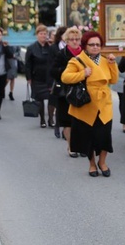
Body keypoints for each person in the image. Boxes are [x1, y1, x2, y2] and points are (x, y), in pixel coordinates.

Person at [61, 31, 118, 177]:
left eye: (98, 44)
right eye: (91, 44)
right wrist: (82, 74)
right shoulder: (77, 60)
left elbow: (113, 80)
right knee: (89, 138)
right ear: (85, 46)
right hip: (87, 104)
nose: (95, 47)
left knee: (105, 136)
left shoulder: (106, 60)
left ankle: (102, 162)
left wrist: (113, 64)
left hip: (104, 104)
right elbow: (65, 77)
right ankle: (92, 164)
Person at [51, 27, 83, 157]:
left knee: (81, 120)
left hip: (81, 91)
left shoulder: (84, 54)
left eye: (77, 39)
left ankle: (81, 145)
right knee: (67, 121)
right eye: (72, 40)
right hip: (66, 91)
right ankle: (71, 146)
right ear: (66, 41)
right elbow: (53, 71)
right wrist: (68, 72)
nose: (75, 42)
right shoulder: (62, 54)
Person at [25, 24, 53, 128]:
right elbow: (28, 64)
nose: (43, 36)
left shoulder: (50, 47)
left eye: (45, 34)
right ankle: (42, 119)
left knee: (52, 98)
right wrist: (29, 78)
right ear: (37, 35)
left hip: (49, 77)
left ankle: (51, 118)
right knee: (39, 99)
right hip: (37, 77)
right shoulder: (31, 48)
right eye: (41, 34)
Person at [48, 26, 68, 138]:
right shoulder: (54, 48)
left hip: (70, 80)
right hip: (58, 79)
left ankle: (66, 129)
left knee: (67, 105)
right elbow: (50, 66)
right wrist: (50, 82)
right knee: (58, 104)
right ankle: (57, 125)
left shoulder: (71, 47)